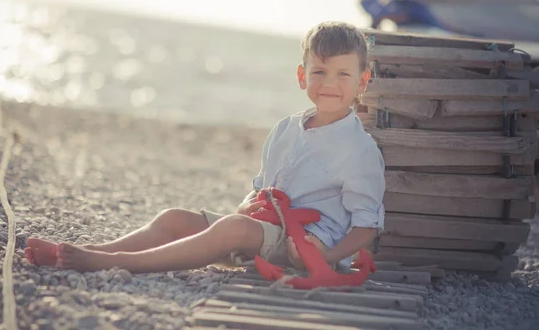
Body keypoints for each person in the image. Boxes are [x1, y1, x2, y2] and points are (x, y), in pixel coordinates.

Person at [25, 21, 386, 273]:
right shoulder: (286, 129)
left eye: (343, 74)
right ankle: (89, 252)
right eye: (320, 72)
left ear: (362, 81)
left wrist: (327, 256)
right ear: (301, 75)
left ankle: (112, 263)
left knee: (233, 228)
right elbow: (261, 189)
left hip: (304, 247)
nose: (329, 83)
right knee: (174, 218)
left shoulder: (359, 150)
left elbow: (366, 226)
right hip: (261, 229)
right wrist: (249, 203)